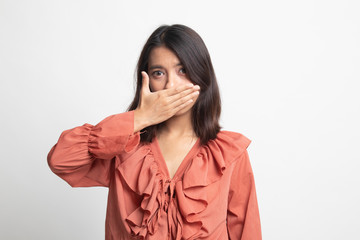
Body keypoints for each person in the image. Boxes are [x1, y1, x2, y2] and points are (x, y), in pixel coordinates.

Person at [47, 24, 262, 240]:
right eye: (158, 73)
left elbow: (246, 232)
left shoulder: (228, 155)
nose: (171, 84)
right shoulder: (124, 147)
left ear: (201, 74)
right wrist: (141, 117)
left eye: (183, 70)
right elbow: (60, 159)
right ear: (146, 81)